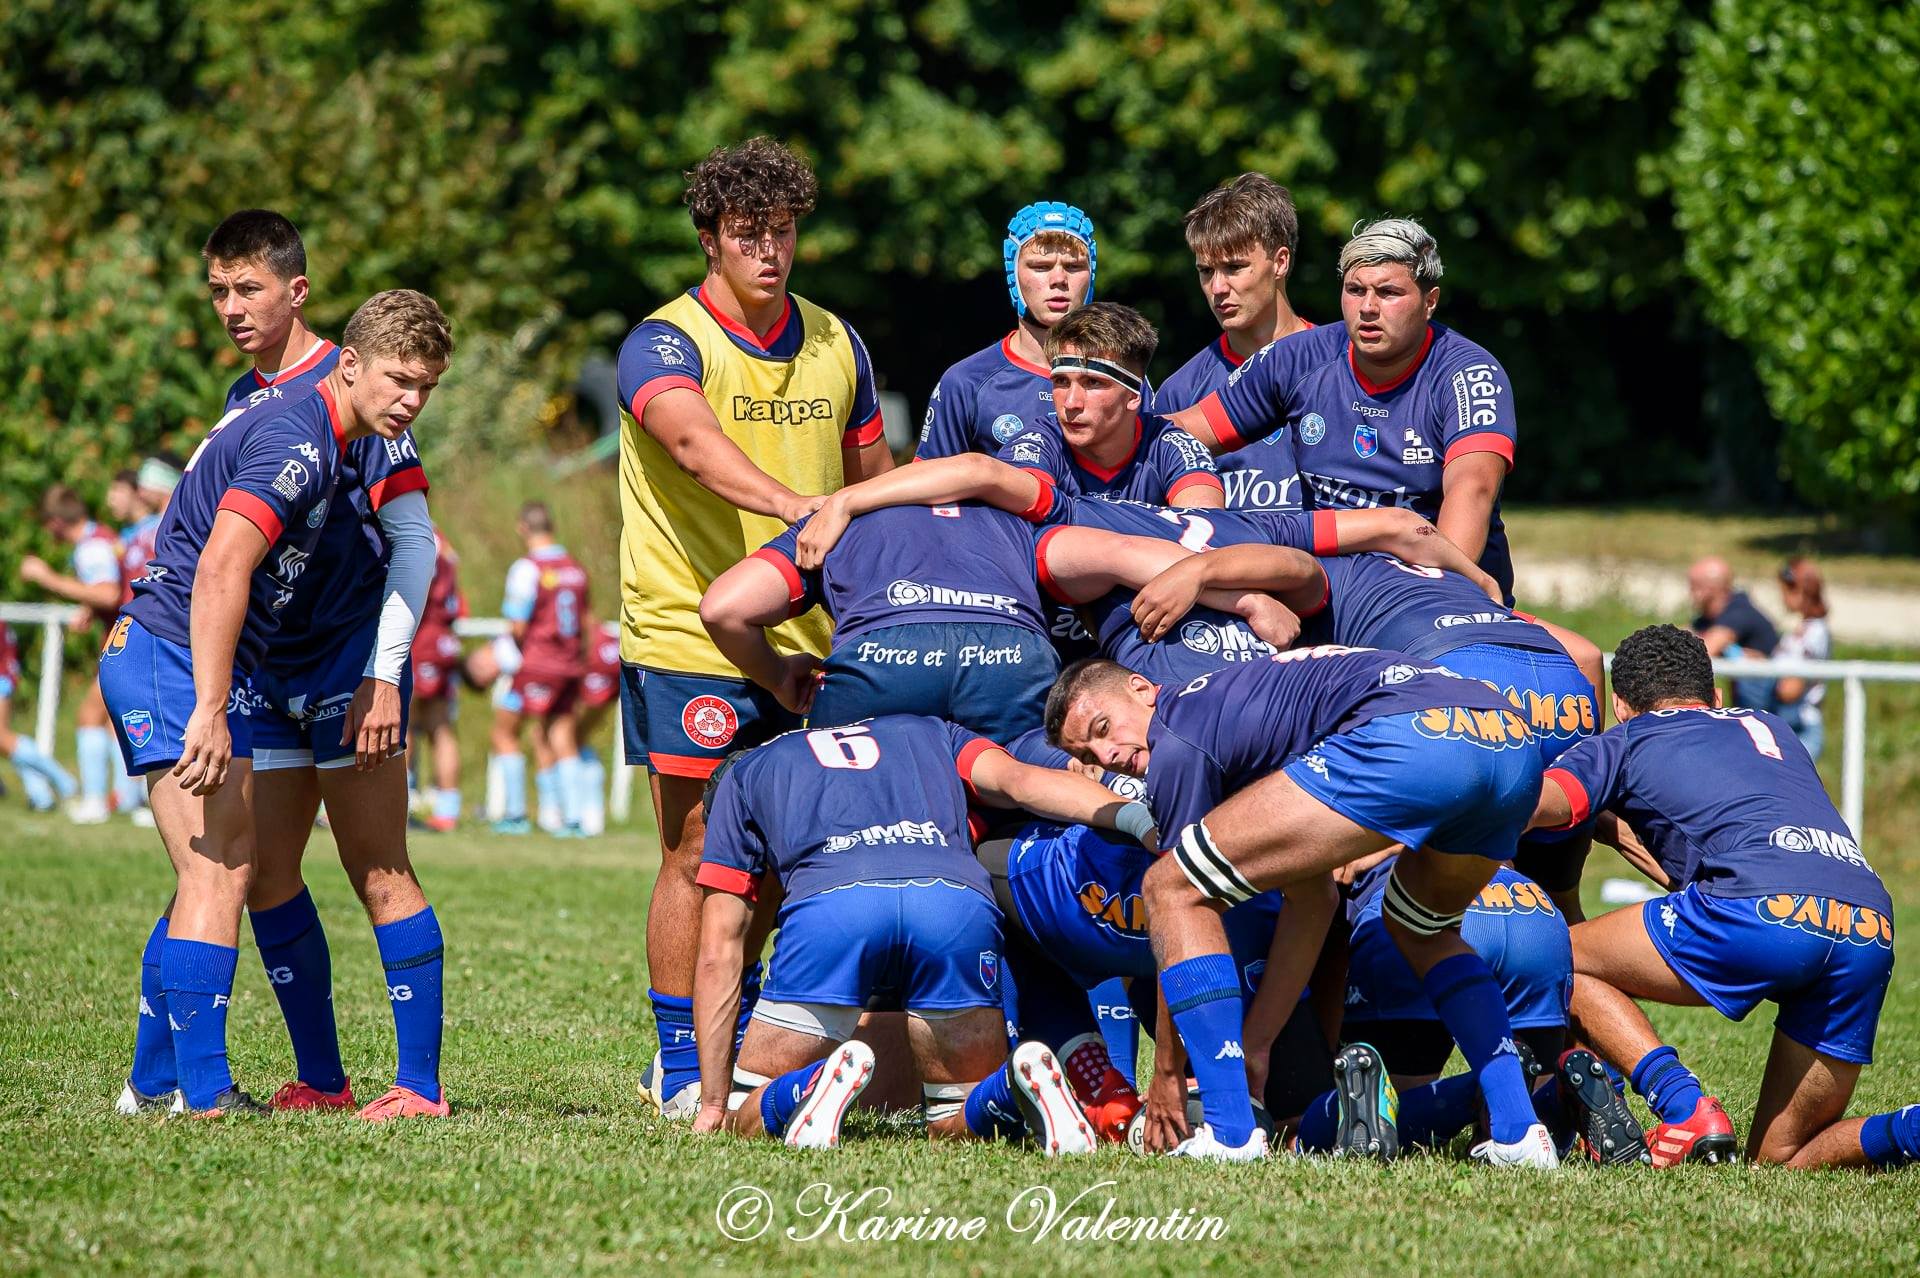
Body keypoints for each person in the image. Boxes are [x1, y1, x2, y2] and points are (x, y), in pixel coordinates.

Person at [100, 289, 445, 1117]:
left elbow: (412, 539)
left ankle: (160, 1087)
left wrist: (382, 671)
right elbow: (221, 568)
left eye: (427, 387)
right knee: (218, 870)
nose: (412, 401)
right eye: (400, 380)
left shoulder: (323, 428)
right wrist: (212, 703)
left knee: (222, 867)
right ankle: (201, 1094)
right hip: (180, 659)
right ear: (349, 363)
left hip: (230, 660)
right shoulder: (298, 437)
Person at [615, 137, 893, 1114]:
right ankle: (682, 1062)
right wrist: (796, 509)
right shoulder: (663, 341)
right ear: (710, 241)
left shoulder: (836, 341)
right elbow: (693, 444)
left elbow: (873, 482)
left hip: (815, 646)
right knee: (696, 853)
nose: (768, 251)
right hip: (688, 639)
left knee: (786, 856)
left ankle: (759, 1038)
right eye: (747, 235)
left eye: (781, 232)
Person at [1047, 651, 1557, 1165]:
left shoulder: (1177, 735)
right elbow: (1314, 896)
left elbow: (1181, 899)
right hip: (1508, 741)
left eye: (1103, 727)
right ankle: (1519, 1131)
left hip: (1411, 734)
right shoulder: (1247, 711)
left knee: (1169, 886)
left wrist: (1167, 1072)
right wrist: (1259, 1042)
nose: (1105, 754)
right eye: (1087, 755)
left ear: (1142, 688)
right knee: (1423, 927)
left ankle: (1228, 1131)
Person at [1529, 624, 1916, 1171]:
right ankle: (1913, 1130)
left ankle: (1681, 1105)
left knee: (1544, 955)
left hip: (1760, 910)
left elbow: (1547, 802)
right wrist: (1614, 826)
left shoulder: (1627, 739)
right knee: (1778, 1160)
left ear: (1620, 705)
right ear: (1713, 695)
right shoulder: (1771, 728)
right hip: (1868, 924)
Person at [688, 714, 1154, 1151]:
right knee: (955, 1117)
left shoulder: (740, 776)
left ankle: (807, 1086)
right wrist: (1136, 818)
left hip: (835, 911)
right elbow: (1022, 783)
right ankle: (1015, 1087)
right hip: (954, 906)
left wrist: (711, 1101)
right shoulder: (934, 729)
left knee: (741, 1115)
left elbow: (719, 951)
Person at [1163, 217, 1520, 603]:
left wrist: (1436, 603)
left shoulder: (1467, 374)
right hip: (1326, 591)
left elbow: (1473, 491)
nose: (1368, 308)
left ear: (1429, 301)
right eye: (1355, 290)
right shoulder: (1297, 358)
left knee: (1581, 656)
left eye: (1388, 293)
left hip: (1428, 590)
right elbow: (1176, 435)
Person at [700, 500, 1062, 743]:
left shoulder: (833, 520)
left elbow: (725, 609)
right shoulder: (1018, 520)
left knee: (856, 821)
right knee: (1025, 801)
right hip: (1010, 660)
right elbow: (1109, 554)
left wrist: (778, 677)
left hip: (879, 661)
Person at [1154, 173, 1323, 512]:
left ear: (1280, 262)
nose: (1217, 288)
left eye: (1234, 268)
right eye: (1206, 271)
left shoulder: (1340, 364)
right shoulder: (1180, 393)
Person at [994, 303, 1223, 508]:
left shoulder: (1172, 446)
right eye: (1061, 381)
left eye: (1092, 382)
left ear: (1134, 395)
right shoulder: (1037, 444)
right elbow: (1016, 531)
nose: (1071, 403)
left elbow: (1206, 533)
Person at [916, 202, 1096, 459]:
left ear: (1091, 275)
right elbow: (927, 488)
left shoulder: (1121, 376)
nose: (1059, 280)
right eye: (1041, 266)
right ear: (1013, 275)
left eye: (1073, 266)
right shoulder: (966, 382)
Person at [19, 486, 125, 823]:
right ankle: (129, 800)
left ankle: (94, 801)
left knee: (88, 717)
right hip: (129, 640)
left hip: (124, 643)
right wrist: (88, 608)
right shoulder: (102, 539)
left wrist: (47, 579)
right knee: (116, 724)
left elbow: (108, 594)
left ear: (55, 523)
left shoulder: (91, 548)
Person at [500, 502, 591, 837]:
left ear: (523, 528)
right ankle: (573, 818)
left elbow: (518, 625)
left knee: (505, 732)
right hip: (569, 664)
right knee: (560, 735)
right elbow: (585, 622)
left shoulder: (527, 568)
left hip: (538, 663)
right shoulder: (575, 568)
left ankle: (515, 815)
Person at [408, 525, 467, 832]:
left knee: (400, 722)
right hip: (444, 641)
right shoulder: (444, 539)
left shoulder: (411, 530)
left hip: (421, 639)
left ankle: (398, 807)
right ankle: (448, 810)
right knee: (440, 728)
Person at [0, 622, 77, 810]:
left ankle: (64, 781)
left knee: (2, 738)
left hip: (2, 673)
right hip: (6, 670)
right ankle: (41, 796)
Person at [1686, 555, 1779, 709]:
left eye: (1693, 586)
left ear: (1708, 590)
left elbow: (1703, 651)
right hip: (1750, 707)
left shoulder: (1739, 612)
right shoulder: (1708, 618)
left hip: (1777, 711)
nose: (1690, 593)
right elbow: (1677, 640)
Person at [1770, 557, 1831, 758]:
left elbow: (1791, 689)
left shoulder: (1814, 634)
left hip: (1800, 724)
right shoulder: (1804, 629)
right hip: (1792, 722)